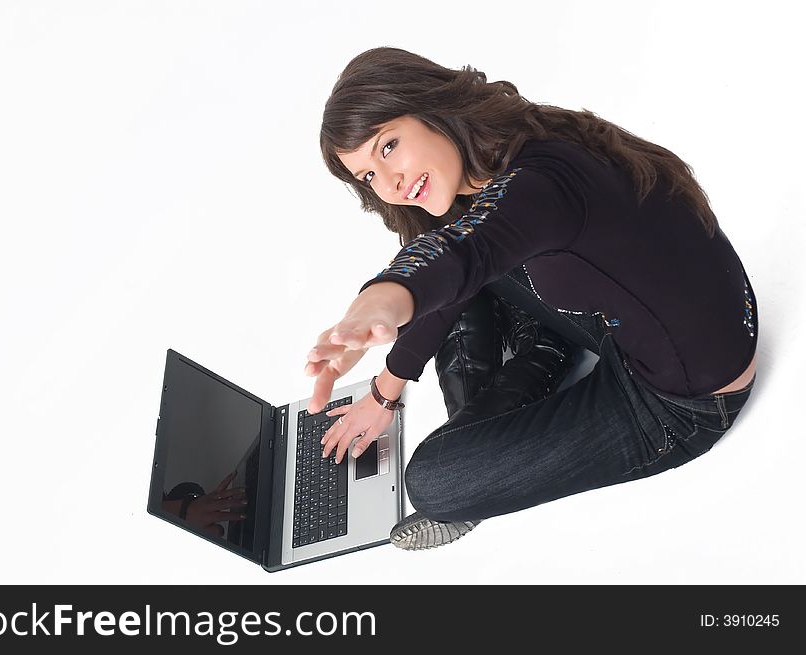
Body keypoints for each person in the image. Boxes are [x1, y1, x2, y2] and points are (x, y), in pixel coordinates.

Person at [303, 47, 758, 551]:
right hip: (648, 319)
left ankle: (535, 365)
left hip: (685, 401)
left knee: (435, 483)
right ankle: (538, 361)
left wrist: (382, 304)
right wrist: (384, 389)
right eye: (368, 176)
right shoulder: (518, 144)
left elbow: (463, 254)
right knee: (454, 261)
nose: (389, 183)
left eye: (387, 147)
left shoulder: (540, 186)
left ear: (431, 108)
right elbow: (458, 250)